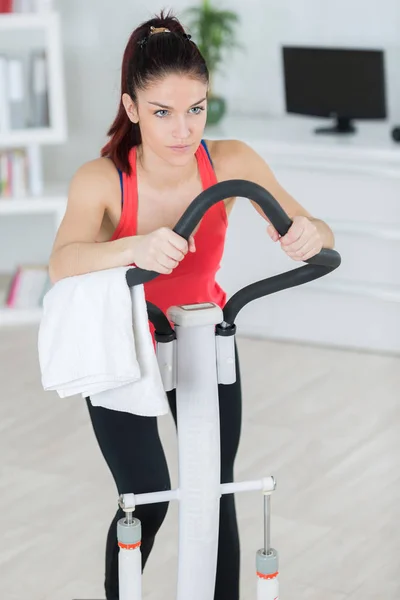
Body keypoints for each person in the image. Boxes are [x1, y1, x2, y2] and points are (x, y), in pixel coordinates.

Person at [48, 10, 335, 600]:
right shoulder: (102, 180)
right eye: (162, 113)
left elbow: (316, 227)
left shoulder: (230, 162)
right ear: (131, 108)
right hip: (126, 344)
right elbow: (62, 262)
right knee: (147, 495)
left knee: (214, 492)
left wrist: (311, 235)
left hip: (204, 337)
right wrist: (136, 248)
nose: (183, 130)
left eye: (195, 109)